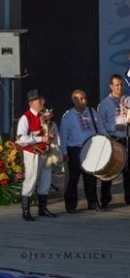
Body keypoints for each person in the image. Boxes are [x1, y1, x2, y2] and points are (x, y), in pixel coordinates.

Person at [60, 89, 108, 213]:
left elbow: (101, 127)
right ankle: (71, 205)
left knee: (91, 178)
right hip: (75, 150)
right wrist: (64, 152)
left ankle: (93, 202)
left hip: (91, 149)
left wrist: (107, 141)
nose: (84, 101)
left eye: (84, 98)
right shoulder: (68, 116)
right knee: (73, 178)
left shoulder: (92, 112)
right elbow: (63, 136)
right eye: (80, 99)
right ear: (74, 101)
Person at [15, 89, 57, 221]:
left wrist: (51, 136)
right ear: (31, 103)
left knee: (46, 180)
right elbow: (21, 139)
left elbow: (52, 131)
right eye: (40, 100)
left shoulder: (44, 115)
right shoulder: (26, 117)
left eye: (42, 100)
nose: (43, 102)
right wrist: (41, 138)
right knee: (31, 180)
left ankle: (42, 209)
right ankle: (26, 211)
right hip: (32, 153)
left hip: (45, 152)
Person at [97, 74, 130, 208]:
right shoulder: (105, 103)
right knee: (110, 170)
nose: (119, 87)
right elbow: (100, 124)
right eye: (116, 85)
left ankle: (129, 198)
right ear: (111, 86)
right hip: (113, 139)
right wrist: (114, 127)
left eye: (121, 84)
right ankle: (105, 200)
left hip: (127, 138)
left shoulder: (129, 100)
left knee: (128, 170)